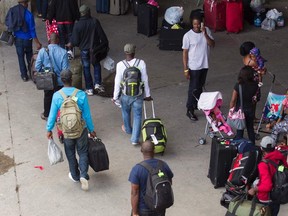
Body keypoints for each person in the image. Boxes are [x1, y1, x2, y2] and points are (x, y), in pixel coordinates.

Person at [46, 69, 96, 191]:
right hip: (81, 129)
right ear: (72, 79)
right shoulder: (81, 94)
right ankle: (84, 174)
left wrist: (49, 129)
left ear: (61, 80)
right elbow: (87, 115)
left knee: (70, 153)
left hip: (66, 131)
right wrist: (91, 129)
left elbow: (52, 115)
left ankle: (75, 175)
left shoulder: (57, 96)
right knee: (83, 152)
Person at [112, 44, 152, 145]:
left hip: (125, 95)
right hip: (138, 95)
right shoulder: (141, 63)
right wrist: (148, 95)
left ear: (125, 53)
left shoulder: (120, 65)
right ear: (134, 52)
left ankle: (128, 130)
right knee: (138, 115)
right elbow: (145, 80)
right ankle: (134, 139)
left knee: (125, 112)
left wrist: (115, 96)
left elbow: (117, 81)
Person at [68, 4, 108, 96]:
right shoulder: (95, 21)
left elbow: (75, 41)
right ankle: (97, 84)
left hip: (84, 50)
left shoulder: (77, 25)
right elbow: (102, 35)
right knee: (96, 65)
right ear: (88, 12)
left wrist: (80, 45)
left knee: (86, 68)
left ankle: (89, 88)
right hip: (95, 49)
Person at [182, 13, 215, 121]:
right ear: (192, 24)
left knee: (200, 86)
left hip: (204, 65)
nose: (197, 26)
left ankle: (197, 104)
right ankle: (189, 109)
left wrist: (205, 34)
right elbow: (185, 53)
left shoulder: (207, 31)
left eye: (198, 24)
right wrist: (186, 69)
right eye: (194, 24)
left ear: (202, 23)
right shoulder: (187, 36)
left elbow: (212, 44)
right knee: (193, 88)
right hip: (194, 66)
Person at [128, 141, 174, 216]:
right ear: (154, 150)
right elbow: (169, 183)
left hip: (143, 209)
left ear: (141, 151)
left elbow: (134, 193)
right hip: (160, 206)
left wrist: (135, 212)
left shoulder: (137, 169)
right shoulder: (163, 165)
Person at [248, 136, 288, 216]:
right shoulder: (281, 157)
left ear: (262, 149)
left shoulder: (263, 164)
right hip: (278, 195)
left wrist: (254, 189)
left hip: (266, 199)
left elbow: (267, 186)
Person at [5, 0, 42, 82]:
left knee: (20, 57)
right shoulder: (29, 14)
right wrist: (37, 43)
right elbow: (32, 31)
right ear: (25, 3)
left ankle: (24, 76)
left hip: (17, 39)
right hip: (27, 40)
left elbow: (8, 22)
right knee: (29, 57)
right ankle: (32, 74)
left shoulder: (12, 10)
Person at [35, 33, 69, 120]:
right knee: (60, 98)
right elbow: (65, 70)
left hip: (47, 79)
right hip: (60, 81)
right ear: (58, 40)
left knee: (47, 96)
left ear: (49, 40)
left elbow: (37, 66)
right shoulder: (63, 52)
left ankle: (47, 114)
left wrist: (44, 71)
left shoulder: (43, 51)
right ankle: (60, 116)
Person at [229, 66, 258, 144]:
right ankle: (252, 146)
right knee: (250, 129)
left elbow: (233, 100)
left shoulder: (238, 85)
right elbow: (256, 97)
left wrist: (231, 109)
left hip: (240, 110)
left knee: (240, 128)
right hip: (250, 109)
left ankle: (239, 145)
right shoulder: (255, 85)